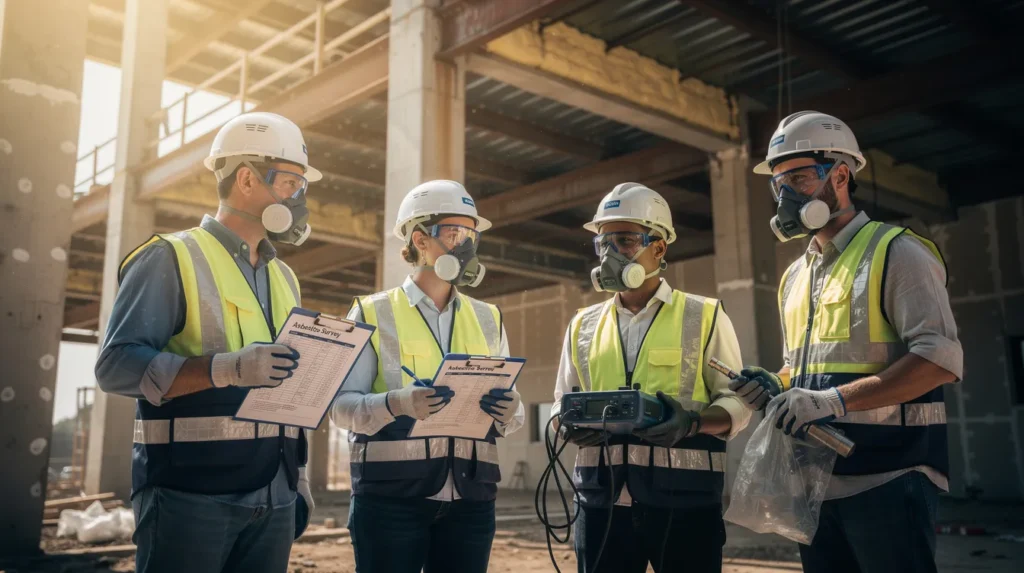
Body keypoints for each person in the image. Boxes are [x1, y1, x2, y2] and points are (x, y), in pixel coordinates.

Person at [731, 111, 962, 573]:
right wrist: (775, 385)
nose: (786, 196)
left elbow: (938, 360)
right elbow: (806, 369)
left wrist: (833, 401)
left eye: (799, 178)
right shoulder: (795, 276)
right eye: (778, 184)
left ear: (840, 175)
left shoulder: (897, 251)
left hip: (889, 476)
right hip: (815, 483)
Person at [94, 112, 320, 573]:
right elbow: (116, 367)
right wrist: (227, 369)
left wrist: (297, 477)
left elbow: (285, 391)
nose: (298, 198)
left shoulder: (284, 277)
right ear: (247, 179)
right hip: (190, 495)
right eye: (290, 183)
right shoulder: (170, 256)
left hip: (274, 494)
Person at [550, 183, 751, 573]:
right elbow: (561, 402)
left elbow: (738, 402)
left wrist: (692, 422)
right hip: (601, 503)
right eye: (603, 243)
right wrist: (565, 424)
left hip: (685, 503)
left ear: (658, 248)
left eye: (625, 241)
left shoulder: (704, 315)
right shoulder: (582, 325)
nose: (610, 253)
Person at [330, 179, 524, 573]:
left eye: (471, 235)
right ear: (420, 239)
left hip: (472, 499)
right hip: (391, 501)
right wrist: (398, 403)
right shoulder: (372, 312)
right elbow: (339, 409)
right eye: (455, 233)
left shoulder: (488, 318)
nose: (466, 246)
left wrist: (511, 411)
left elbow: (513, 415)